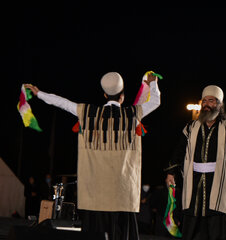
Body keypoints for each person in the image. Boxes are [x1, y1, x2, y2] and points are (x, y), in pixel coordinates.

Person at [25, 71, 161, 240]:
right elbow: (155, 101)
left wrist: (39, 94)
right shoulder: (132, 115)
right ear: (123, 96)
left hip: (95, 195)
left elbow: (62, 103)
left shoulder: (87, 112)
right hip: (122, 194)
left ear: (104, 95)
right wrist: (152, 83)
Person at [165, 85, 226, 240]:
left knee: (217, 224)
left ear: (219, 104)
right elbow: (179, 151)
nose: (206, 104)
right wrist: (171, 172)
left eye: (211, 100)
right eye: (204, 101)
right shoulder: (190, 127)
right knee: (193, 225)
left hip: (218, 183)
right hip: (194, 181)